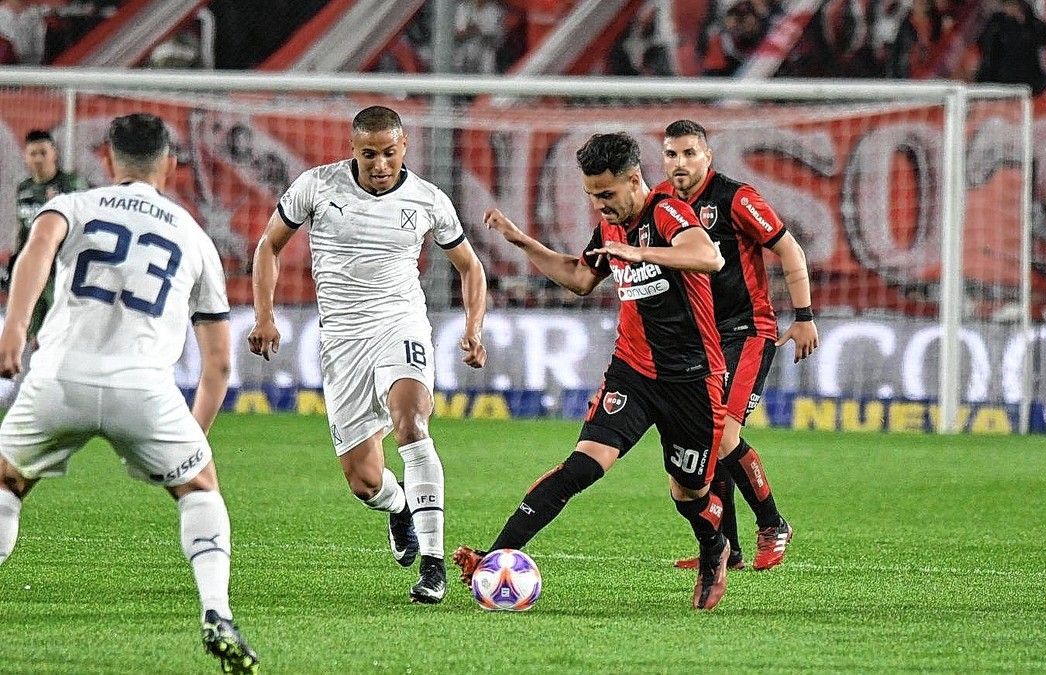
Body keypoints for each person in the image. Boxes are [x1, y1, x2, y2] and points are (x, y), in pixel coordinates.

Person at [0, 114, 258, 672]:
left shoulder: (74, 205)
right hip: (144, 389)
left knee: (7, 484)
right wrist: (191, 440)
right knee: (200, 489)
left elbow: (38, 246)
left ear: (110, 160)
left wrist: (15, 328)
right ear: (168, 163)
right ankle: (217, 612)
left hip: (59, 377)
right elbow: (218, 363)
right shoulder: (194, 236)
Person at [453, 132, 734, 610]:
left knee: (690, 494)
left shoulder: (667, 212)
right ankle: (496, 555)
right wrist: (522, 242)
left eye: (606, 194)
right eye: (591, 194)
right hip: (633, 372)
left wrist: (641, 254)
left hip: (693, 378)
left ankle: (715, 549)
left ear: (633, 180)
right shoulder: (611, 227)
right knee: (581, 466)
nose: (599, 204)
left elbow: (710, 256)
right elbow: (581, 278)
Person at [247, 105, 487, 605]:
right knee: (364, 480)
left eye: (390, 153)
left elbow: (469, 266)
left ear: (404, 148)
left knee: (412, 425)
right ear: (353, 150)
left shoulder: (427, 200)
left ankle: (435, 565)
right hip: (342, 343)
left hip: (401, 325)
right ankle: (399, 506)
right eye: (370, 154)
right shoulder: (316, 187)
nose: (380, 164)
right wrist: (264, 315)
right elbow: (268, 247)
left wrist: (472, 326)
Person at [657, 119, 817, 572]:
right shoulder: (662, 204)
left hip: (747, 331)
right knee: (703, 439)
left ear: (707, 156)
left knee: (723, 433)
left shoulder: (736, 198)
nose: (680, 162)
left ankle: (773, 523)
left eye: (690, 153)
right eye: (672, 154)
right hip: (700, 338)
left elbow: (790, 250)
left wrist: (803, 316)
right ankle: (728, 547)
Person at [9, 130, 90, 340]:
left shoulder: (71, 185)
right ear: (25, 156)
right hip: (34, 268)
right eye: (33, 153)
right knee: (29, 329)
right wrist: (16, 258)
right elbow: (23, 227)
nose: (38, 158)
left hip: (61, 270)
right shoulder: (24, 189)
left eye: (43, 152)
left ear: (54, 153)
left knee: (58, 329)